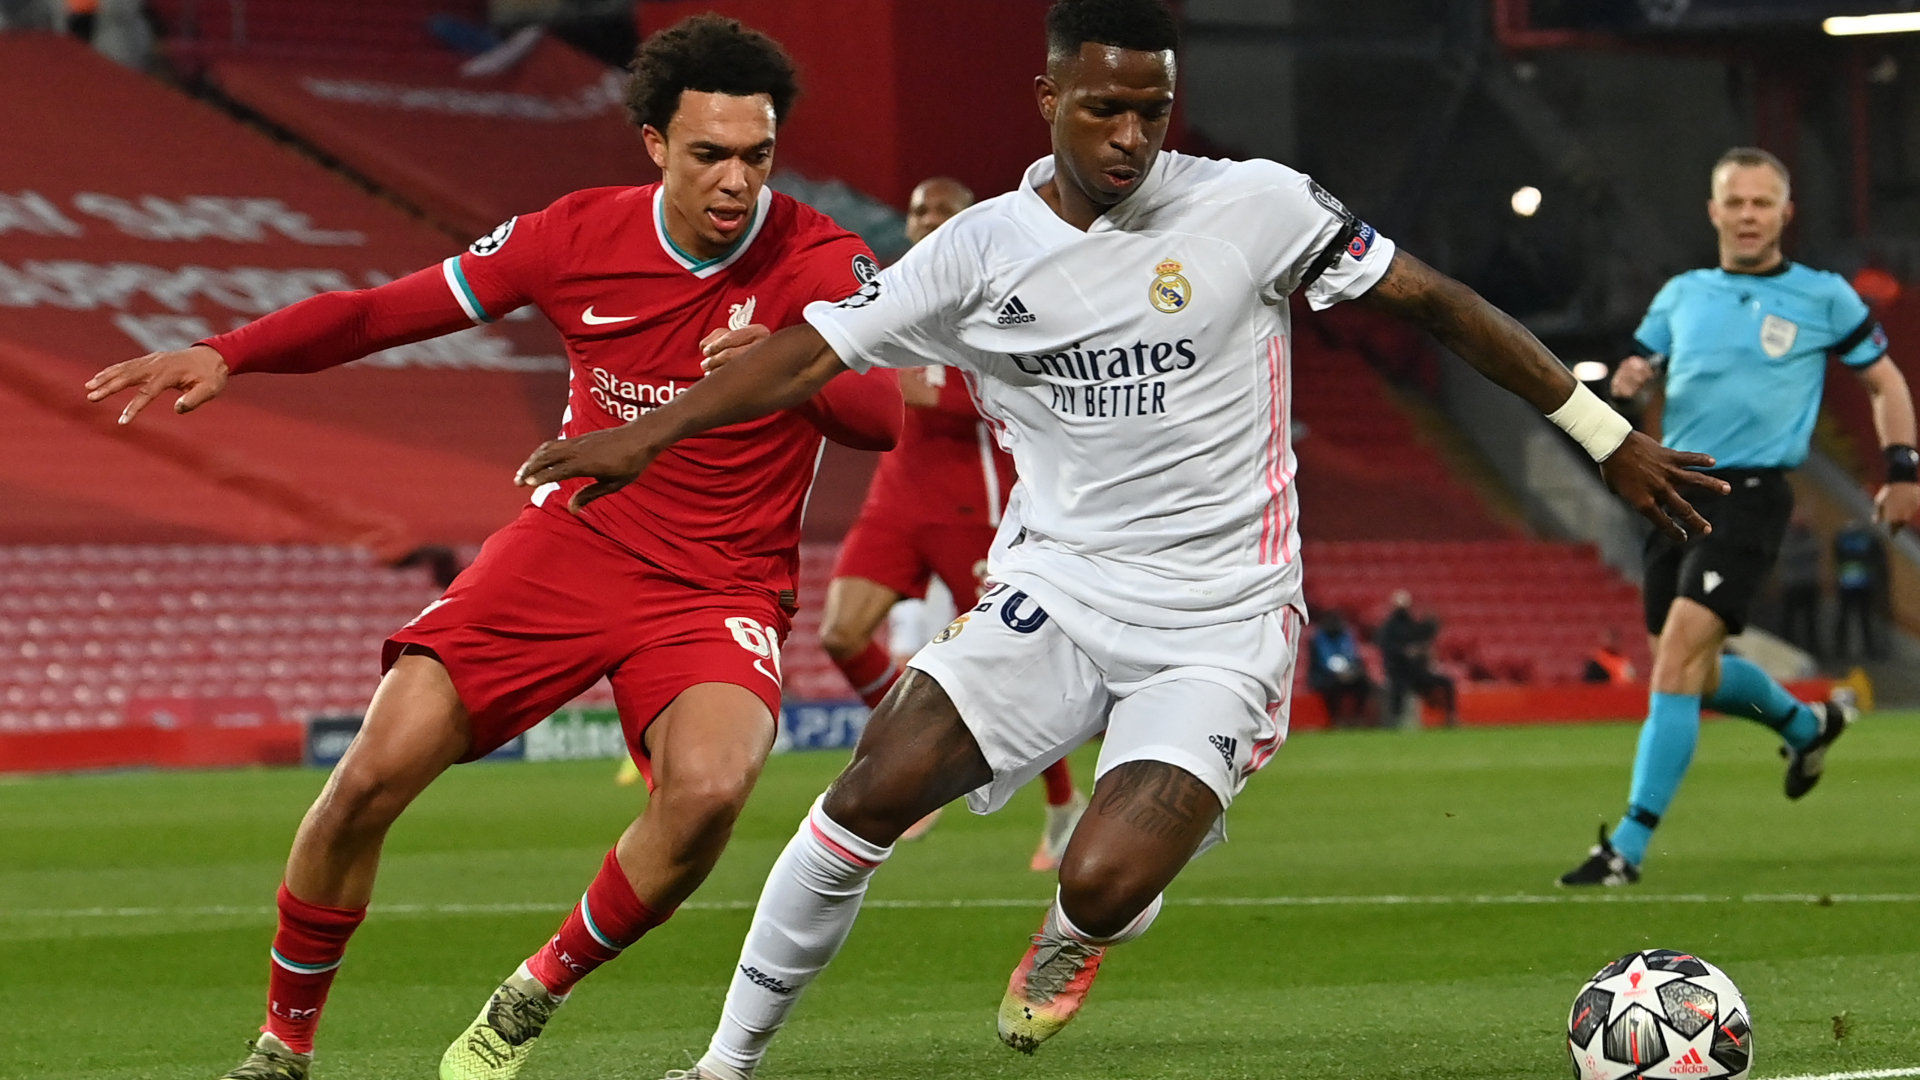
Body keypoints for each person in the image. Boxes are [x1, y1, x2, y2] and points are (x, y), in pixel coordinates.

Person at [510, 1, 1719, 1072]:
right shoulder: (979, 250)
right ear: (1049, 100)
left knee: (1098, 876)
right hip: (1058, 591)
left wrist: (1604, 433)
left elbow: (1438, 301)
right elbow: (810, 352)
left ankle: (1073, 938)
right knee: (866, 794)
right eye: (1103, 108)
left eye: (1153, 108)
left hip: (1221, 621)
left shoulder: (1257, 205)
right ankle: (725, 1066)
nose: (1131, 136)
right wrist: (644, 433)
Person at [85, 16, 903, 1080]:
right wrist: (228, 352)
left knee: (707, 795)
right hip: (572, 546)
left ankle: (536, 988)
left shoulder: (821, 257)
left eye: (757, 155)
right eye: (710, 154)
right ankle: (281, 1046)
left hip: (720, 583)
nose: (737, 180)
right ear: (654, 143)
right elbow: (385, 312)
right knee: (371, 772)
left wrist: (799, 365)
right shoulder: (574, 235)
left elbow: (884, 417)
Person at [1559, 146, 1919, 888]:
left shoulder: (1824, 297)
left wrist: (1904, 468)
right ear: (1714, 211)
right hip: (1672, 489)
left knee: (1680, 653)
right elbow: (1637, 365)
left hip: (1751, 494)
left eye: (1763, 203)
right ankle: (1805, 725)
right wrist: (1629, 377)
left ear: (1785, 214)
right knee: (1687, 666)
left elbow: (1884, 382)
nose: (1749, 215)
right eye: (1736, 202)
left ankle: (1626, 846)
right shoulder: (1683, 294)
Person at [821, 174, 1087, 866]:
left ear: (972, 222)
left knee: (1009, 667)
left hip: (974, 500)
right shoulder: (892, 290)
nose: (927, 217)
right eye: (917, 208)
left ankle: (1063, 805)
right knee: (841, 633)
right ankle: (915, 770)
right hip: (896, 497)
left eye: (943, 208)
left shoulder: (995, 295)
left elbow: (1023, 389)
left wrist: (920, 383)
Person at [1374, 590, 1457, 726]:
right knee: (1398, 690)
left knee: (1446, 682)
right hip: (1398, 672)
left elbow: (1424, 638)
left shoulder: (1412, 624)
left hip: (1416, 671)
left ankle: (1450, 716)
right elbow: (1387, 648)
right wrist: (1404, 652)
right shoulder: (1388, 627)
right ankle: (1396, 721)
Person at [1831, 519, 1887, 659]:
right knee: (1858, 619)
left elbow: (1838, 556)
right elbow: (1877, 557)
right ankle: (1863, 650)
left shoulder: (1843, 539)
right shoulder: (1867, 540)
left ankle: (1842, 649)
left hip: (1853, 583)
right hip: (1857, 584)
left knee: (1855, 619)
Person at [1306, 610, 1373, 725]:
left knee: (1365, 684)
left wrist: (1351, 671)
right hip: (1325, 675)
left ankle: (1357, 716)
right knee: (1332, 687)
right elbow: (1322, 661)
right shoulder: (1318, 638)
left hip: (1348, 672)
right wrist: (1337, 673)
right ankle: (1335, 718)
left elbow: (1352, 654)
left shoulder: (1346, 634)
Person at [1776, 513, 1823, 657]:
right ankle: (1787, 648)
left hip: (1809, 584)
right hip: (1792, 584)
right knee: (1789, 620)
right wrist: (1803, 553)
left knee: (1811, 620)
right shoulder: (1787, 537)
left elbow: (1815, 549)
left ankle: (1813, 648)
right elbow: (1787, 554)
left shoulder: (1809, 536)